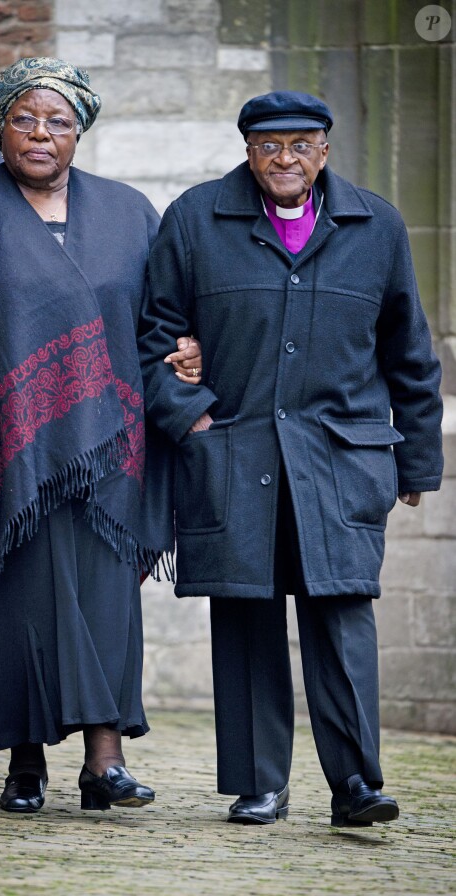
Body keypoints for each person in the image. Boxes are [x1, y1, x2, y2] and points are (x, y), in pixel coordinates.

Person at [0, 56, 201, 813]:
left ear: (80, 130)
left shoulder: (128, 212)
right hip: (0, 454)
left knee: (106, 599)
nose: (42, 134)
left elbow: (163, 317)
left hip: (113, 453)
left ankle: (104, 762)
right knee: (19, 601)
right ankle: (27, 764)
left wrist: (186, 351)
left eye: (59, 120)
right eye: (24, 119)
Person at [138, 90, 443, 827]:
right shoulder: (195, 218)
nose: (285, 158)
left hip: (341, 457)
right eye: (270, 145)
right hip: (234, 452)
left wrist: (418, 465)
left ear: (325, 150)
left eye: (301, 144)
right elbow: (152, 337)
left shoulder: (376, 226)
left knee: (341, 615)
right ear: (247, 151)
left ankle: (356, 786)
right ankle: (259, 785)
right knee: (246, 617)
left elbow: (410, 353)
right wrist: (194, 415)